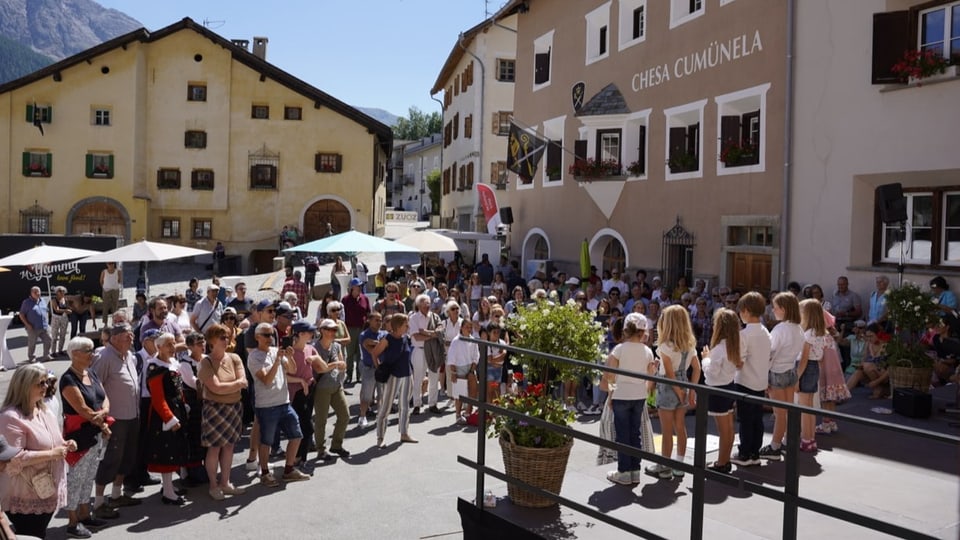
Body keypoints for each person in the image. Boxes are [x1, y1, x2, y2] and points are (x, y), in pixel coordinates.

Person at [0, 363, 75, 538]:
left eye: (46, 382)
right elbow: (12, 458)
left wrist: (65, 444)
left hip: (46, 487)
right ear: (24, 386)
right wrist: (52, 454)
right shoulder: (11, 417)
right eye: (40, 383)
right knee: (32, 534)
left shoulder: (43, 410)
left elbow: (52, 440)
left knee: (36, 534)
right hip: (26, 493)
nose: (46, 387)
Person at [60, 336, 112, 538]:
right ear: (75, 354)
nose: (93, 353)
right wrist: (101, 419)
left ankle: (84, 514)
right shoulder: (68, 379)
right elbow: (82, 409)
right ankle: (72, 521)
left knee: (89, 475)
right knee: (76, 478)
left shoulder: (91, 372)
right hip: (80, 436)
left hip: (96, 432)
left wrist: (104, 412)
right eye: (88, 350)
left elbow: (104, 397)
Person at [247, 323, 310, 486]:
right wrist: (276, 361)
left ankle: (288, 470)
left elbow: (292, 369)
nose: (270, 338)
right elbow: (266, 380)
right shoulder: (254, 357)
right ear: (257, 337)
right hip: (266, 405)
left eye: (272, 335)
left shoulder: (277, 351)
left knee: (296, 435)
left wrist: (289, 357)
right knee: (266, 441)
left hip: (284, 402)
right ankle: (265, 473)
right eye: (266, 335)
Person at [90, 324, 141, 519]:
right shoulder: (104, 357)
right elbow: (95, 388)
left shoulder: (129, 355)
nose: (131, 339)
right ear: (115, 337)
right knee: (110, 459)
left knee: (127, 456)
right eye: (128, 336)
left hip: (132, 415)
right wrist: (101, 418)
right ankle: (99, 502)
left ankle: (117, 495)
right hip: (115, 418)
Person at [645, 305, 700, 480]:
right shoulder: (690, 345)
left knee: (666, 430)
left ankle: (664, 466)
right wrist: (690, 390)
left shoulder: (664, 346)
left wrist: (678, 390)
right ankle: (679, 464)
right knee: (680, 426)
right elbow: (697, 369)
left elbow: (669, 373)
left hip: (669, 387)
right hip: (684, 382)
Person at [197, 323, 247, 501]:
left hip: (234, 408)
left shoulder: (234, 358)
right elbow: (216, 388)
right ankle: (213, 485)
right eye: (222, 337)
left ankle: (225, 483)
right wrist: (235, 385)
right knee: (214, 448)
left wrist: (230, 387)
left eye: (227, 337)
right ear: (212, 341)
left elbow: (244, 381)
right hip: (215, 410)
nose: (226, 340)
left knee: (229, 446)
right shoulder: (206, 362)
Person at [604, 313, 655, 485]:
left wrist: (611, 396)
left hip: (621, 395)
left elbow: (610, 375)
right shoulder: (648, 351)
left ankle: (624, 471)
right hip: (639, 395)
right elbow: (650, 376)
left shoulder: (618, 350)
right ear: (642, 332)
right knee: (635, 433)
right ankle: (635, 470)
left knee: (623, 434)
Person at [143, 333, 192, 505]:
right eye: (168, 345)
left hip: (176, 409)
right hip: (164, 416)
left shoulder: (172, 364)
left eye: (173, 344)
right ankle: (168, 492)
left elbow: (178, 390)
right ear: (159, 347)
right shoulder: (155, 368)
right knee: (167, 452)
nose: (172, 348)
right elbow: (157, 398)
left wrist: (184, 406)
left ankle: (169, 486)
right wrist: (169, 418)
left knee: (176, 449)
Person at [759, 293, 804, 462]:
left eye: (775, 307)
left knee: (779, 413)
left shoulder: (780, 329)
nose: (773, 310)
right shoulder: (798, 328)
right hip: (790, 370)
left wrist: (763, 376)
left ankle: (775, 446)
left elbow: (770, 354)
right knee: (787, 411)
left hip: (777, 372)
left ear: (783, 309)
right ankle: (786, 441)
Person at [730, 292, 772, 467]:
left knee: (746, 419)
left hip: (745, 381)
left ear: (746, 311)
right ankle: (755, 452)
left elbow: (739, 362)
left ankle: (745, 453)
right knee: (757, 418)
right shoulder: (765, 331)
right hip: (760, 380)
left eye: (740, 311)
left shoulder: (745, 334)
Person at [700, 309, 743, 473]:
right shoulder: (733, 345)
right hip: (728, 386)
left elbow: (712, 372)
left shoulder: (719, 348)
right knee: (729, 428)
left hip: (717, 390)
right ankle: (724, 460)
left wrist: (706, 359)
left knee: (724, 429)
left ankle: (722, 462)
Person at [372, 314, 417, 448]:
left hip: (407, 375)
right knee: (386, 407)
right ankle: (380, 437)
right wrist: (379, 369)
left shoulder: (406, 338)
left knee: (405, 406)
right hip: (393, 376)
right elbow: (375, 353)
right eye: (406, 324)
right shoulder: (388, 339)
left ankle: (404, 433)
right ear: (398, 326)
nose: (408, 327)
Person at [311, 319, 351, 461]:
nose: (333, 332)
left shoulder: (336, 346)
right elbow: (319, 368)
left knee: (345, 415)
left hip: (336, 385)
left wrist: (340, 366)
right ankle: (321, 449)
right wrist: (336, 365)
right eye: (330, 329)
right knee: (321, 420)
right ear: (322, 330)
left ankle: (336, 445)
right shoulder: (315, 347)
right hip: (322, 388)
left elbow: (343, 364)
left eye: (335, 330)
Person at [796, 299, 830, 453]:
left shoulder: (808, 334)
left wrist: (796, 378)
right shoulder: (820, 332)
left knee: (804, 406)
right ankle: (810, 438)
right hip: (814, 367)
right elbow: (821, 356)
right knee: (809, 405)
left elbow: (803, 359)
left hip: (807, 367)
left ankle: (805, 437)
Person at [285, 320, 318, 464]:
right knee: (305, 427)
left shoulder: (310, 348)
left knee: (306, 426)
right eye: (309, 332)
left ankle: (301, 458)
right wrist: (300, 381)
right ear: (300, 334)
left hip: (310, 390)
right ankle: (296, 458)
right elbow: (284, 375)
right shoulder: (289, 351)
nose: (312, 334)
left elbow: (320, 366)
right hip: (296, 393)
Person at [446, 320, 478, 424]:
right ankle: (458, 415)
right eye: (466, 327)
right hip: (459, 368)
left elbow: (476, 356)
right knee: (459, 394)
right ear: (461, 328)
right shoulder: (456, 340)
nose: (469, 329)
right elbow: (451, 358)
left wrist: (471, 370)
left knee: (472, 391)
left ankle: (468, 412)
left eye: (470, 327)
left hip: (470, 368)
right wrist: (453, 373)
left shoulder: (473, 340)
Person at [358, 313, 387, 427]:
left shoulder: (384, 333)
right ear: (369, 321)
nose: (379, 322)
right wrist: (381, 345)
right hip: (369, 368)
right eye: (376, 320)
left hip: (382, 368)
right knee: (367, 395)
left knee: (382, 395)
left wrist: (376, 343)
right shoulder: (364, 335)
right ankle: (362, 416)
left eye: (380, 320)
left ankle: (380, 417)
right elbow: (371, 350)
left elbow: (385, 346)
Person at [342, 277, 371, 385]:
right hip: (350, 329)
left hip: (362, 328)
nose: (359, 288)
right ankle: (349, 375)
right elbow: (342, 315)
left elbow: (368, 312)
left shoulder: (364, 298)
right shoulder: (345, 300)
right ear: (351, 288)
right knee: (350, 354)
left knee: (360, 353)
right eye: (357, 287)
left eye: (360, 286)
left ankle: (359, 375)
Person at [19, 287, 52, 364]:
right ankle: (32, 357)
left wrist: (47, 322)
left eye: (39, 292)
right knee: (32, 343)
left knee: (49, 340)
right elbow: (21, 314)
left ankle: (46, 355)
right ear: (31, 293)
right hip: (32, 327)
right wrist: (27, 324)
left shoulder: (43, 300)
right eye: (35, 292)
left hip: (44, 326)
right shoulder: (26, 302)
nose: (38, 294)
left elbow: (46, 311)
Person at [99, 263, 122, 327]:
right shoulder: (104, 271)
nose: (111, 265)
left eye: (112, 263)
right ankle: (105, 323)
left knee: (115, 306)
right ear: (107, 264)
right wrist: (104, 287)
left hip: (115, 290)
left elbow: (120, 280)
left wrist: (114, 286)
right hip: (106, 290)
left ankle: (115, 322)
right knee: (105, 307)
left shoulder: (118, 271)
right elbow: (101, 281)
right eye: (109, 263)